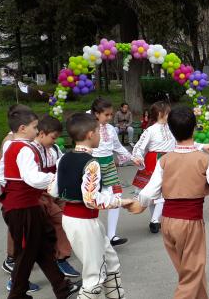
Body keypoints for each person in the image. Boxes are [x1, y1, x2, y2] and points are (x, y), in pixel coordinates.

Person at [128, 105, 209, 298]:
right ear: (194, 129)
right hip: (190, 223)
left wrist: (140, 203)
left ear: (170, 129)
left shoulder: (165, 160)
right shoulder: (204, 160)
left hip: (168, 222)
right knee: (190, 277)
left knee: (189, 273)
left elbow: (149, 191)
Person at [0, 107, 80, 299]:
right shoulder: (24, 149)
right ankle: (17, 295)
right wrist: (56, 178)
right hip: (24, 208)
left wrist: (14, 189)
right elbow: (32, 178)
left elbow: (1, 175)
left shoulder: (12, 146)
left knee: (42, 248)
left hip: (24, 205)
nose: (37, 130)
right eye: (35, 127)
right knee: (26, 254)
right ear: (23, 128)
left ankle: (61, 287)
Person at [50, 112, 135, 298]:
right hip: (83, 222)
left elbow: (53, 190)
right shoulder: (91, 163)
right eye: (98, 131)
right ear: (90, 134)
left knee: (111, 261)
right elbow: (91, 200)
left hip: (76, 219)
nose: (100, 135)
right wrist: (121, 202)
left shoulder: (63, 158)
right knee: (94, 276)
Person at [29, 116, 80, 277]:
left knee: (69, 214)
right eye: (53, 138)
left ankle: (61, 257)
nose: (55, 141)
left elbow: (61, 167)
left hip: (53, 191)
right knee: (34, 231)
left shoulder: (53, 150)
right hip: (36, 194)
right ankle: (17, 266)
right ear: (42, 133)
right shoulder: (29, 150)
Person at [91, 97, 140, 246]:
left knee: (117, 196)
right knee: (92, 199)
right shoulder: (88, 128)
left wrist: (132, 157)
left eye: (111, 114)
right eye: (106, 115)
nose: (110, 117)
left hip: (109, 165)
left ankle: (111, 235)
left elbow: (117, 147)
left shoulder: (111, 129)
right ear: (96, 114)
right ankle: (93, 236)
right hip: (93, 166)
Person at [131, 101, 173, 233]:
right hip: (154, 161)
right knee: (154, 191)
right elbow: (139, 146)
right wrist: (137, 157)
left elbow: (181, 141)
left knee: (165, 192)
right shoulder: (150, 130)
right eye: (168, 112)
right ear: (160, 114)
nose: (170, 115)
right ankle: (155, 220)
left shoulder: (172, 127)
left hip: (170, 160)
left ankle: (155, 220)